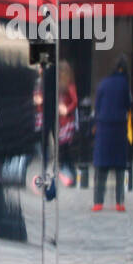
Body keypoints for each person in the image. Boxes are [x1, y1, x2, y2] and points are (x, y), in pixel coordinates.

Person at [0, 20, 36, 241]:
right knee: (14, 174)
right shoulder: (27, 59)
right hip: (25, 119)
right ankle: (13, 220)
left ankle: (4, 219)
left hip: (2, 119)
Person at [91, 56, 132, 211]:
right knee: (120, 168)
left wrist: (95, 125)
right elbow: (128, 105)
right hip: (119, 129)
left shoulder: (103, 83)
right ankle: (119, 202)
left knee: (101, 168)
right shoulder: (124, 84)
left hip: (103, 128)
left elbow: (98, 107)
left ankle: (98, 202)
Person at [56, 59, 78, 187]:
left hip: (67, 121)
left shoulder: (70, 85)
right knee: (63, 150)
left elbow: (74, 101)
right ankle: (67, 175)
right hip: (60, 121)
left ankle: (71, 175)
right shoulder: (60, 85)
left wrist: (67, 109)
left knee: (66, 150)